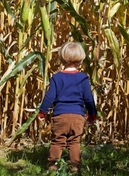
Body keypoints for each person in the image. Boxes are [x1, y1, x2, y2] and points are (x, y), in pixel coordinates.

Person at [38, 42, 97, 173]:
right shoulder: (83, 78)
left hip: (60, 116)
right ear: (81, 60)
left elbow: (49, 97)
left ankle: (53, 167)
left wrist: (42, 112)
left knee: (57, 142)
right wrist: (92, 114)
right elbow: (88, 99)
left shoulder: (57, 77)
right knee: (74, 142)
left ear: (61, 58)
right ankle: (75, 167)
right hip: (77, 116)